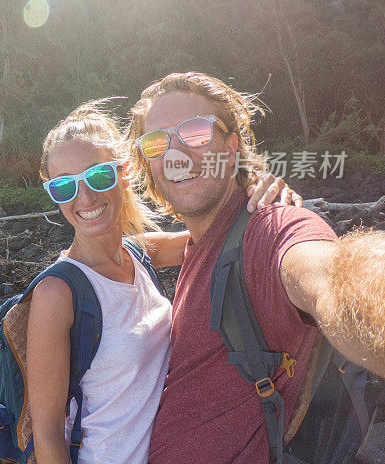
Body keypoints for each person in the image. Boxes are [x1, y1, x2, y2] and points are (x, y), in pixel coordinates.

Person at [121, 72, 385, 463]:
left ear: (230, 147)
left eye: (195, 132)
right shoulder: (200, 242)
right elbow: (131, 249)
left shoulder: (269, 228)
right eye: (157, 142)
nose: (176, 154)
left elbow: (333, 275)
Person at [25, 100, 298, 464]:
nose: (85, 198)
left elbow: (218, 228)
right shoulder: (57, 294)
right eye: (64, 187)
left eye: (99, 176)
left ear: (123, 172)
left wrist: (260, 191)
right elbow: (46, 434)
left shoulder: (140, 254)